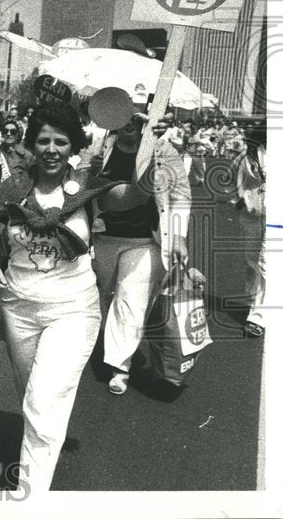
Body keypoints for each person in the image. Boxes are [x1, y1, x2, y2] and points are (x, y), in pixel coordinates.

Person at [0, 102, 154, 491]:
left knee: (43, 402)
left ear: (73, 147)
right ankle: (41, 453)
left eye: (60, 141)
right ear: (31, 145)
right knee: (35, 395)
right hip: (19, 309)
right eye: (43, 140)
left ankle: (31, 495)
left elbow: (133, 196)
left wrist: (146, 147)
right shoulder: (15, 187)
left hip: (74, 309)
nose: (51, 148)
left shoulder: (87, 185)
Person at [91, 113, 191, 395]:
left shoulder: (164, 151)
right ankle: (100, 341)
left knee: (130, 300)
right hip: (103, 236)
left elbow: (181, 194)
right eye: (125, 119)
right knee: (102, 295)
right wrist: (90, 170)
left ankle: (120, 366)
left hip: (146, 239)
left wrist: (179, 235)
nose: (130, 127)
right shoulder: (100, 147)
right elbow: (77, 184)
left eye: (138, 122)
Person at [229, 122, 266, 337]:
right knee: (251, 260)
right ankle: (255, 301)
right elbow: (230, 174)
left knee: (266, 262)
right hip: (250, 214)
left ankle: (258, 316)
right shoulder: (247, 152)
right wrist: (237, 199)